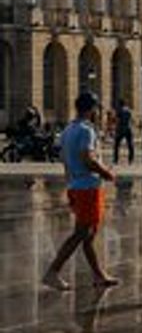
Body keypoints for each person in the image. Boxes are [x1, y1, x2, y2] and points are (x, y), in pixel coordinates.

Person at [42, 92, 119, 291]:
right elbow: (88, 158)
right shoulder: (86, 131)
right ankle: (53, 272)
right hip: (87, 188)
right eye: (97, 109)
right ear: (91, 109)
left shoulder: (68, 130)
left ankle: (99, 275)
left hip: (77, 186)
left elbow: (65, 161)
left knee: (89, 234)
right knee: (80, 234)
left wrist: (71, 183)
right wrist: (106, 173)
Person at [112, 101, 134, 165]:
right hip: (128, 128)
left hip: (121, 129)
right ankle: (130, 160)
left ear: (120, 104)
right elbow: (131, 119)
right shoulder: (129, 110)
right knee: (130, 145)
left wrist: (115, 128)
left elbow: (117, 120)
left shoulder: (119, 110)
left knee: (116, 145)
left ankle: (116, 160)